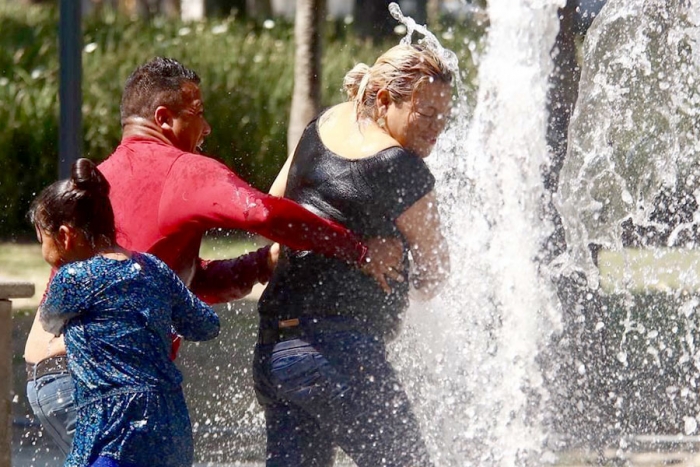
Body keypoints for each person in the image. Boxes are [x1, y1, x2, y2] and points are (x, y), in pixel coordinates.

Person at [24, 57, 400, 457]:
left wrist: (259, 265)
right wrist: (357, 248)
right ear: (163, 119)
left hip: (59, 378)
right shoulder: (183, 170)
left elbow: (175, 286)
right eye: (198, 113)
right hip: (99, 378)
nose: (207, 128)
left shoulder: (99, 182)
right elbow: (262, 212)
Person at [254, 43, 453, 466]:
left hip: (278, 348)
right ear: (384, 100)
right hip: (339, 355)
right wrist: (386, 259)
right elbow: (435, 274)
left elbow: (274, 206)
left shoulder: (322, 123)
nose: (437, 128)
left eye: (444, 117)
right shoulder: (403, 168)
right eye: (427, 114)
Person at [31, 158, 220, 467]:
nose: (44, 252)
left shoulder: (72, 278)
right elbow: (207, 326)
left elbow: (50, 321)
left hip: (113, 429)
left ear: (65, 235)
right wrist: (156, 318)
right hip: (170, 425)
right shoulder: (155, 269)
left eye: (42, 239)